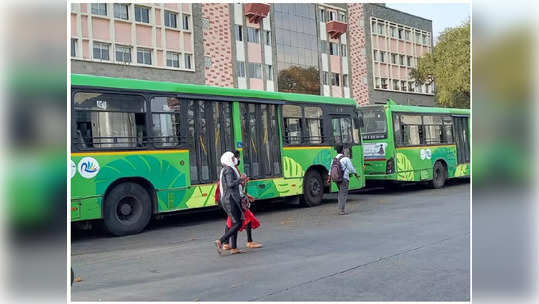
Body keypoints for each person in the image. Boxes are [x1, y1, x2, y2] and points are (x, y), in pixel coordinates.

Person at [222, 150, 262, 250]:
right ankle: (224, 241)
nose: (238, 160)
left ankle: (227, 244)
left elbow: (238, 187)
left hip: (235, 199)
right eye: (237, 158)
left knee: (232, 221)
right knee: (243, 220)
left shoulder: (231, 169)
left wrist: (246, 193)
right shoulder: (231, 169)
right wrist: (242, 180)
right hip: (235, 200)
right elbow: (233, 186)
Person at [215, 151, 247, 255]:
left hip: (230, 198)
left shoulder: (226, 168)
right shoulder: (229, 169)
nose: (235, 160)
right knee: (238, 223)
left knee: (235, 223)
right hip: (230, 199)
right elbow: (230, 184)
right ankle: (221, 240)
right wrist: (240, 179)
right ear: (228, 159)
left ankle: (234, 248)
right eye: (233, 158)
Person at [327, 144, 358, 215]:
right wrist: (356, 174)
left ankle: (340, 208)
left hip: (336, 179)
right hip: (344, 179)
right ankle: (341, 210)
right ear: (342, 150)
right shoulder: (346, 159)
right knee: (343, 194)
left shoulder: (334, 159)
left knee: (340, 193)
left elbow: (330, 170)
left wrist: (329, 179)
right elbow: (351, 169)